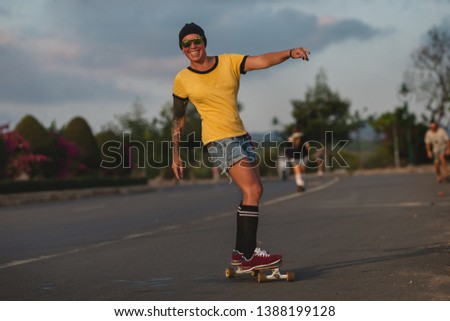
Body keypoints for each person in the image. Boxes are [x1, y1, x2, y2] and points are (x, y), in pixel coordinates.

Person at [171, 22, 310, 271]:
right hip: (218, 139)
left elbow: (262, 60)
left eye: (197, 41)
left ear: (204, 41)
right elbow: (178, 121)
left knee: (255, 192)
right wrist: (175, 155)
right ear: (182, 49)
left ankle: (240, 253)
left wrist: (289, 53)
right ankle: (249, 256)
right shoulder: (182, 79)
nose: (193, 46)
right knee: (253, 190)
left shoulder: (229, 62)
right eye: (186, 43)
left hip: (241, 136)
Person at [285, 127, 310, 192]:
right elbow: (308, 147)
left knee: (297, 171)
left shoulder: (291, 138)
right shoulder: (304, 138)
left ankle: (300, 184)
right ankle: (301, 184)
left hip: (293, 157)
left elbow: (287, 148)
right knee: (302, 171)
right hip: (303, 156)